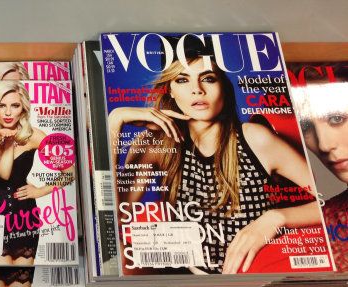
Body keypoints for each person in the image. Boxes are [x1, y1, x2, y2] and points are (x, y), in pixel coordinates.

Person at [107, 57, 322, 274]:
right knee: (119, 258)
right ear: (170, 91)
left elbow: (328, 202)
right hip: (184, 273)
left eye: (208, 79)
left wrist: (277, 218)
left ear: (223, 87)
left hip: (251, 275)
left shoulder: (255, 139)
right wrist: (116, 121)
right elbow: (112, 218)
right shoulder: (157, 143)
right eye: (182, 80)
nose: (197, 90)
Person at [0, 80, 74, 287]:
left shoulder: (35, 136)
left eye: (15, 106)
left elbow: (70, 171)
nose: (8, 112)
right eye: (2, 105)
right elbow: (3, 172)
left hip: (24, 216)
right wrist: (9, 143)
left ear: (23, 108)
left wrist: (40, 190)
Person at [292, 64, 348, 272]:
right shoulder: (324, 225)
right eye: (306, 127)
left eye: (336, 118)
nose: (323, 145)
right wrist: (278, 218)